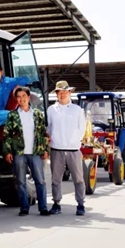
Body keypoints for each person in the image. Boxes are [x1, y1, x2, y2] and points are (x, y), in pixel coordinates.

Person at [3, 87, 50, 217]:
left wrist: (45, 150)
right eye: (18, 97)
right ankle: (24, 207)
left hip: (35, 153)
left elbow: (43, 133)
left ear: (29, 97)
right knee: (20, 182)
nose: (21, 99)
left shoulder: (37, 114)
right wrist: (7, 152)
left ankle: (43, 207)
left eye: (24, 96)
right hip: (19, 153)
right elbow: (7, 135)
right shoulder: (12, 115)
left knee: (40, 180)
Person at [47, 80, 87, 216]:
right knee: (55, 179)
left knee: (78, 178)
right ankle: (56, 203)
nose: (62, 94)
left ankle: (80, 204)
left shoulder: (77, 110)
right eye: (59, 92)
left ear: (70, 92)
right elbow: (49, 127)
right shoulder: (51, 110)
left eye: (65, 92)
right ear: (56, 94)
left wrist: (75, 140)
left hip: (73, 149)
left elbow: (82, 128)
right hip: (56, 149)